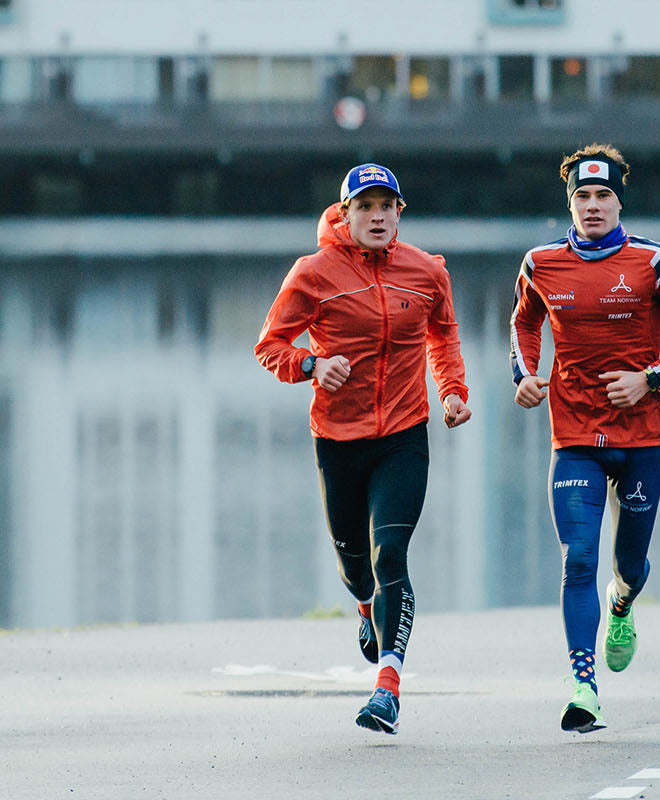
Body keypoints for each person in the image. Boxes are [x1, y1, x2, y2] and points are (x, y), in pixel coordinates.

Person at [255, 163, 471, 735]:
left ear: (400, 212)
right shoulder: (313, 273)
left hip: (404, 435)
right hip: (338, 440)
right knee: (356, 571)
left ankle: (388, 690)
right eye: (365, 207)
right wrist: (311, 364)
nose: (377, 217)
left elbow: (442, 334)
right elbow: (270, 344)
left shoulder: (425, 272)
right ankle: (362, 606)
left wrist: (452, 392)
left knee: (390, 557)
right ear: (344, 214)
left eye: (386, 206)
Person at [511, 143, 660, 733]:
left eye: (603, 195)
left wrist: (649, 378)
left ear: (620, 201)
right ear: (570, 203)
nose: (593, 206)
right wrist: (526, 374)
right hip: (573, 431)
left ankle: (622, 601)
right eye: (583, 196)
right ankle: (583, 686)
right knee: (578, 557)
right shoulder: (540, 263)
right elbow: (524, 321)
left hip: (641, 433)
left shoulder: (656, 262)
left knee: (628, 561)